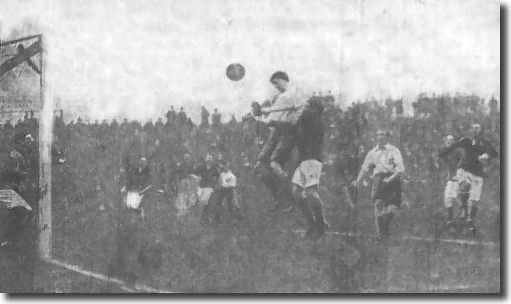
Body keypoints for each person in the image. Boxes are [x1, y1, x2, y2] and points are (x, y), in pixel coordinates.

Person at [252, 71, 307, 211]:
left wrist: (268, 109)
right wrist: (258, 118)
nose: (275, 86)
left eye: (276, 83)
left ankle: (291, 198)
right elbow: (270, 119)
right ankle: (279, 198)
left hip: (288, 132)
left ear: (283, 80)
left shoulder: (294, 92)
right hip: (276, 132)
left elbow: (292, 106)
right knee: (260, 165)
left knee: (274, 164)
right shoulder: (279, 97)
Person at [438, 122, 498, 235]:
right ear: (471, 130)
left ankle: (470, 220)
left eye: (477, 128)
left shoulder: (485, 143)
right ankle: (463, 209)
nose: (475, 130)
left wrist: (486, 156)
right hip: (464, 170)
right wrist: (443, 153)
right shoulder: (466, 140)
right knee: (463, 187)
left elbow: (494, 153)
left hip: (477, 174)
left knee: (474, 201)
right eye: (473, 128)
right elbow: (453, 146)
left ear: (481, 130)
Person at [353, 129, 405, 241]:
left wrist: (390, 179)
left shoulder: (394, 150)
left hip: (392, 179)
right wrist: (358, 180)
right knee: (378, 206)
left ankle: (383, 229)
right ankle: (380, 235)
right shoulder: (373, 152)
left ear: (387, 137)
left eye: (382, 135)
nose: (379, 137)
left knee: (393, 209)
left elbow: (400, 169)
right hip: (378, 179)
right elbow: (364, 168)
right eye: (378, 135)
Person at [291, 97, 328, 239]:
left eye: (307, 105)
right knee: (296, 192)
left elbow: (298, 120)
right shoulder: (307, 118)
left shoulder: (314, 118)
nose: (304, 107)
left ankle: (320, 225)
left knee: (311, 192)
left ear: (314, 108)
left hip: (312, 159)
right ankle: (311, 224)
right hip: (303, 160)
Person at [110, 156, 151, 283]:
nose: (142, 163)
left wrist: (140, 197)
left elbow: (148, 187)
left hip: (138, 203)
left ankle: (131, 272)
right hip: (130, 208)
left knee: (133, 243)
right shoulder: (133, 172)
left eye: (144, 161)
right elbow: (127, 185)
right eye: (141, 161)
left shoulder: (147, 174)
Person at [437, 134, 464, 229]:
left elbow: (462, 160)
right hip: (451, 176)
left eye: (451, 140)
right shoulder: (445, 151)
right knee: (447, 198)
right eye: (448, 140)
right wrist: (447, 174)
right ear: (445, 141)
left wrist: (458, 172)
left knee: (453, 194)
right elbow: (445, 163)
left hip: (457, 174)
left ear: (453, 142)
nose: (449, 141)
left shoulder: (457, 151)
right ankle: (450, 220)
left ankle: (463, 209)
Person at [194, 154, 220, 225]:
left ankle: (203, 218)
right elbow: (196, 172)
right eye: (208, 160)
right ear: (206, 161)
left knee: (204, 201)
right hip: (202, 185)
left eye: (210, 160)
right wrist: (199, 177)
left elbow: (217, 175)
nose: (209, 162)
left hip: (209, 186)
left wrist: (214, 180)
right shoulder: (202, 167)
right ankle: (202, 217)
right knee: (200, 201)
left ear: (212, 161)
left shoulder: (214, 168)